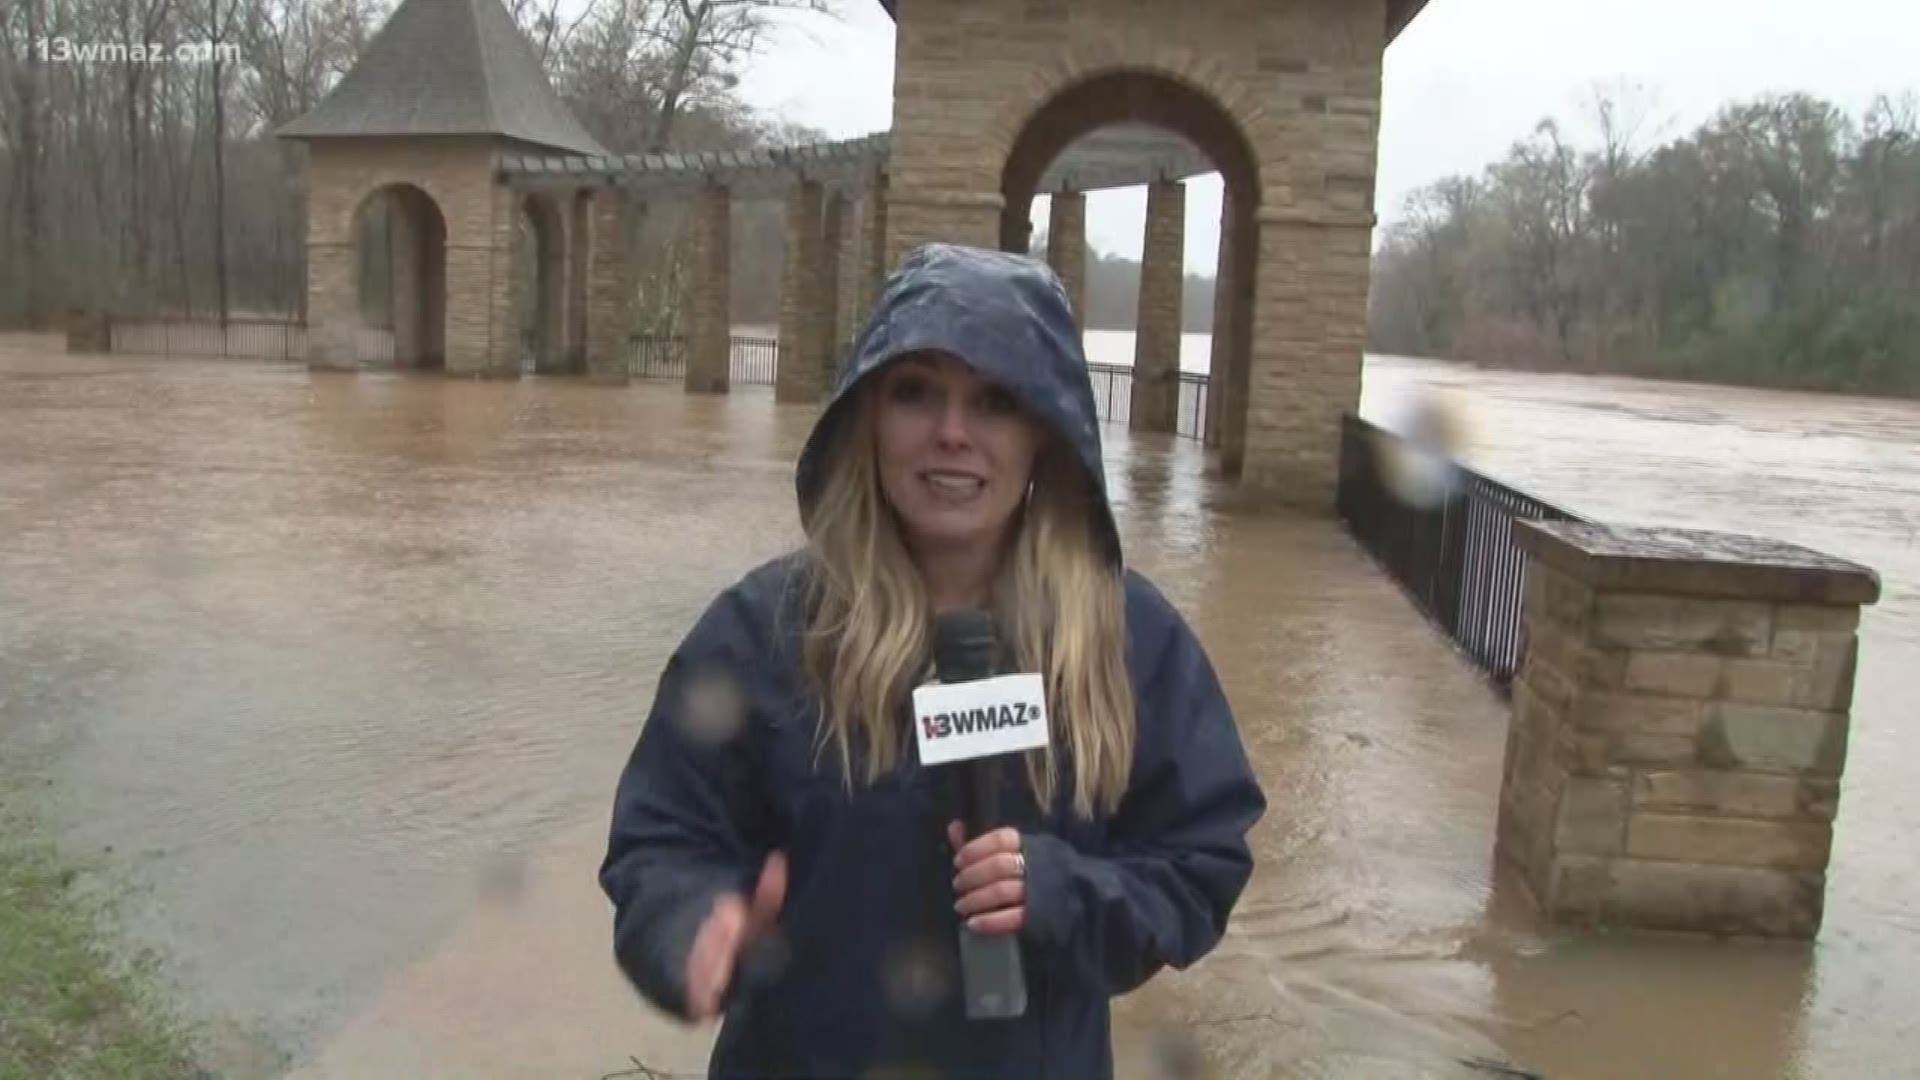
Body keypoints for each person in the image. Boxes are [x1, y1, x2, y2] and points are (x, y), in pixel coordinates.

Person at [599, 243, 1267, 1078]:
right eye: (916, 393)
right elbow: (661, 839)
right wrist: (692, 923)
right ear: (868, 415)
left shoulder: (1131, 639)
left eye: (993, 401)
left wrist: (1062, 893)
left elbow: (1199, 862)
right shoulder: (763, 630)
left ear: (1045, 434)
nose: (952, 434)